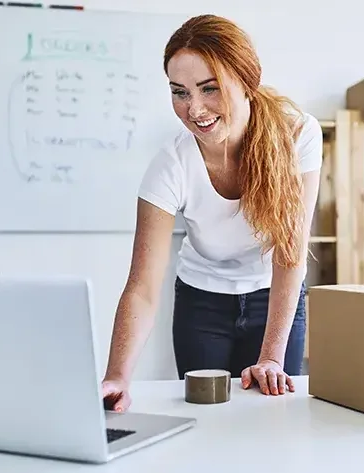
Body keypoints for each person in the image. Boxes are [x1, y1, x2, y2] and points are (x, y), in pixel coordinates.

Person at [100, 14, 323, 411]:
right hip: (201, 302)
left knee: (272, 418)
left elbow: (290, 254)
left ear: (246, 81)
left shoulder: (297, 134)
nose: (194, 109)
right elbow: (142, 288)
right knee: (204, 417)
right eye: (179, 92)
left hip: (273, 297)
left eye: (209, 88)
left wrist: (271, 354)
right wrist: (117, 375)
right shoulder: (171, 163)